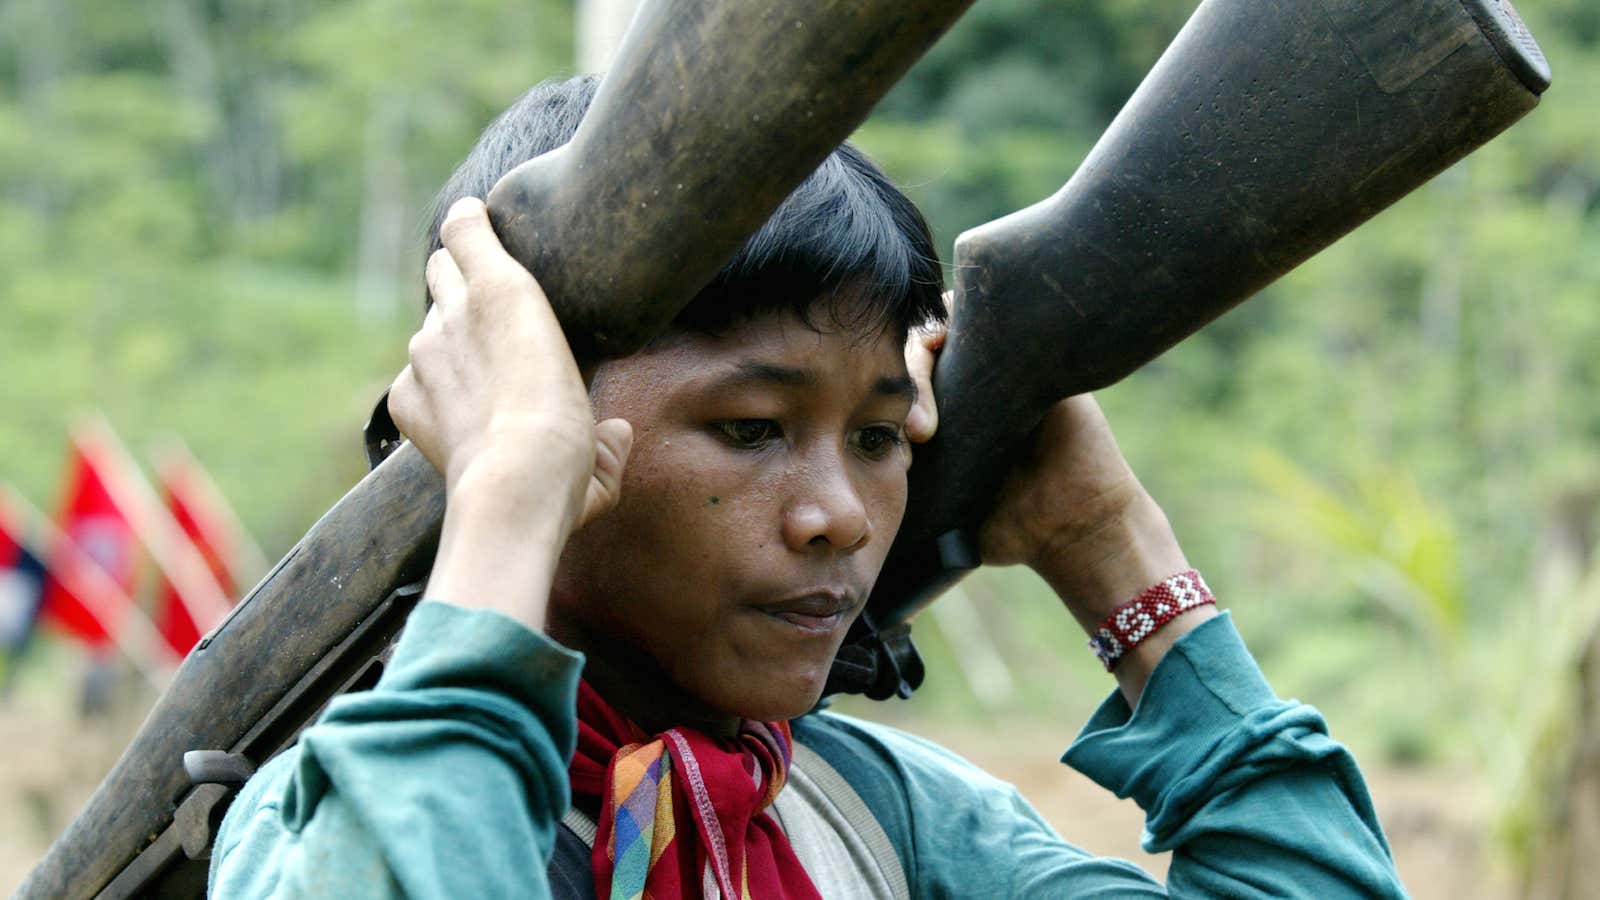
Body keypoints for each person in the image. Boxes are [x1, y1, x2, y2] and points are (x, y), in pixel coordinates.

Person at [208, 75, 1406, 898]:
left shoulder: (868, 821)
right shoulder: (331, 815)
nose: (837, 513)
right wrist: (506, 498)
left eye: (881, 437)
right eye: (748, 427)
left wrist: (1114, 546)